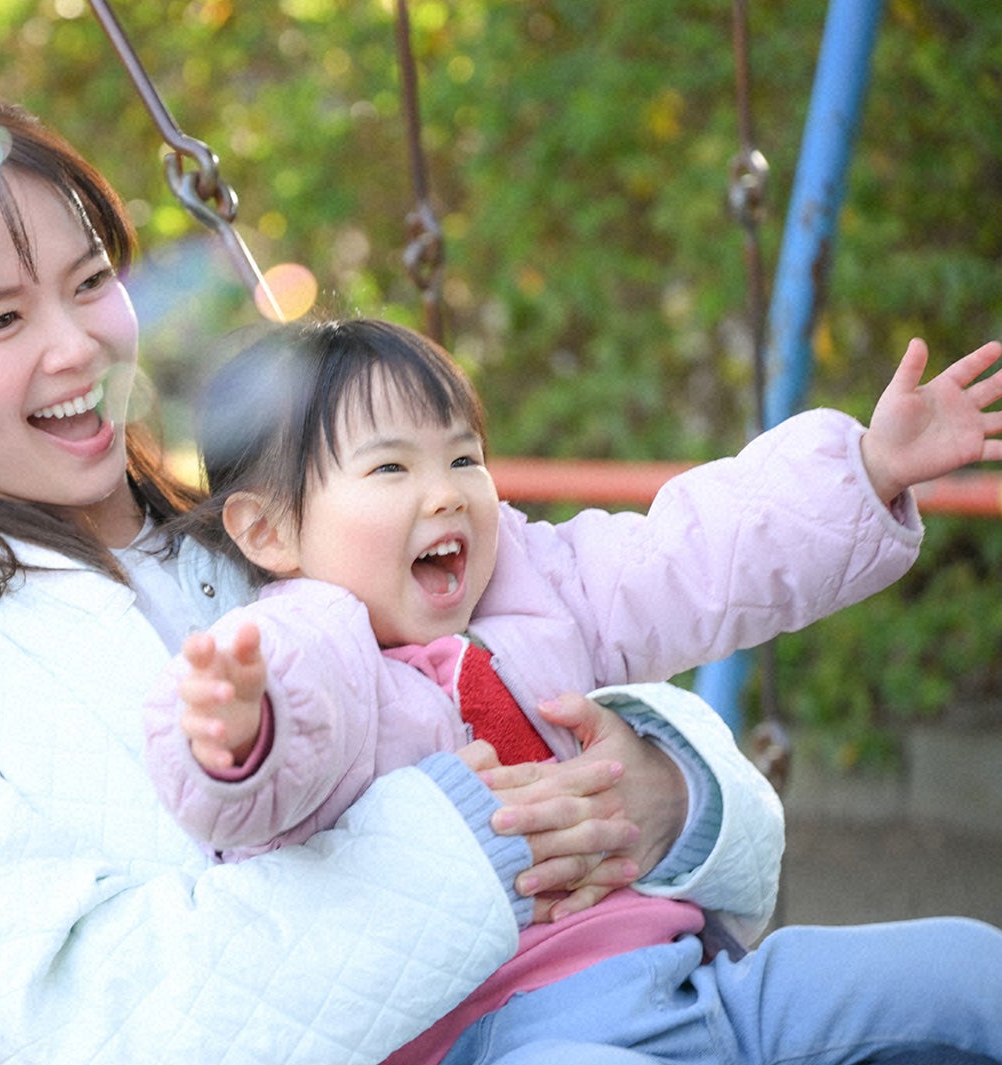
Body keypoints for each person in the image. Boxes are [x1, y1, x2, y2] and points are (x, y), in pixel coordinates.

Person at [0, 92, 993, 1064]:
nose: (78, 344)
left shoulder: (303, 521)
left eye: (89, 284)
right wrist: (485, 833)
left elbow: (629, 603)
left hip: (649, 972)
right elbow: (66, 1029)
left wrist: (662, 788)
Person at [143, 316, 1002, 1061]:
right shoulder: (308, 648)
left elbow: (691, 554)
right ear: (270, 529)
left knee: (961, 970)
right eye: (391, 470)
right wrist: (238, 731)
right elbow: (290, 742)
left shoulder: (538, 582)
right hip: (512, 1033)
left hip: (695, 984)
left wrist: (867, 468)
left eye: (464, 456)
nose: (445, 492)